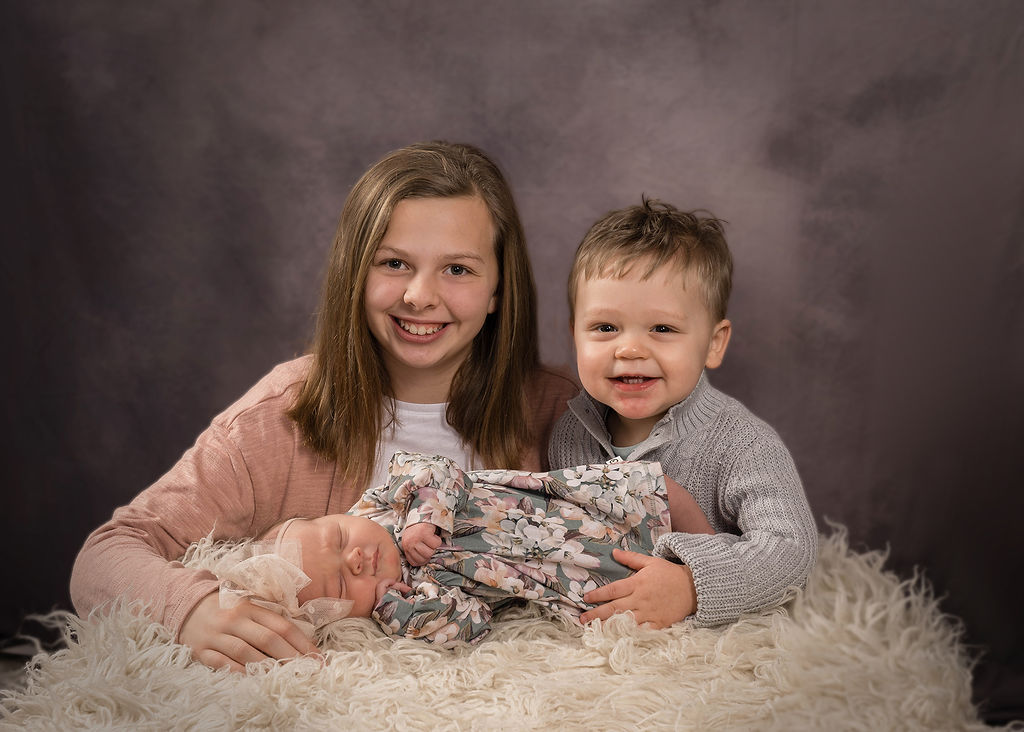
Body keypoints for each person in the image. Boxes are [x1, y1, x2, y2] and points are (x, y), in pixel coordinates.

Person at [70, 141, 579, 672]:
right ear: (355, 272)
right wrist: (191, 609)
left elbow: (660, 519)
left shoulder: (559, 411)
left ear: (499, 287)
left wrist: (678, 582)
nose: (420, 296)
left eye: (458, 270)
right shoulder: (278, 420)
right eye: (395, 263)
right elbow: (107, 553)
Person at [548, 198, 818, 631]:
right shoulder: (569, 433)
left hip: (692, 656)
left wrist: (692, 584)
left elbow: (789, 549)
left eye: (662, 329)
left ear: (714, 343)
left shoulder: (743, 442)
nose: (630, 349)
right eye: (605, 328)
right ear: (574, 335)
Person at [218, 450, 714, 647]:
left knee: (656, 490)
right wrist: (396, 606)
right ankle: (700, 575)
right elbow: (470, 622)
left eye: (339, 539)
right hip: (563, 565)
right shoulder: (409, 595)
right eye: (343, 583)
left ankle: (719, 552)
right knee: (637, 580)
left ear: (340, 516)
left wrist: (423, 518)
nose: (355, 559)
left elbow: (437, 468)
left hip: (559, 503)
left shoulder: (385, 503)